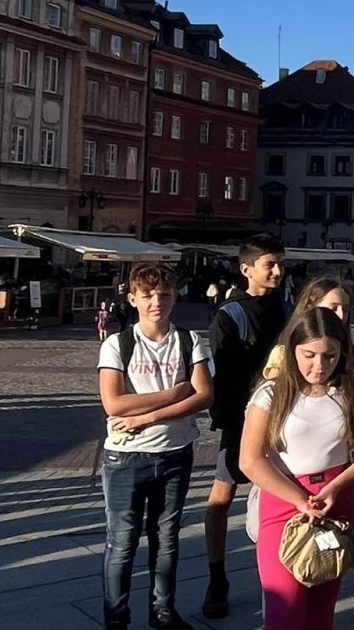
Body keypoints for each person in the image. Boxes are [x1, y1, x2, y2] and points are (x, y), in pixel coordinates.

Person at [98, 263, 213, 630]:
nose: (156, 303)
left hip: (175, 452)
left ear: (175, 296)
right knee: (122, 542)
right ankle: (117, 617)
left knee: (166, 538)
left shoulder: (189, 340)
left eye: (164, 295)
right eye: (147, 296)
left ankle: (163, 611)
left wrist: (146, 416)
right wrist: (175, 393)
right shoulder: (118, 344)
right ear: (133, 299)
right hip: (126, 457)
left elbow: (205, 396)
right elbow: (114, 403)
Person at [240, 308, 354, 630]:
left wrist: (337, 485)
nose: (319, 366)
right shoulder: (272, 394)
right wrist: (299, 499)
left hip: (336, 502)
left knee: (321, 612)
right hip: (284, 502)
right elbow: (250, 460)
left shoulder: (351, 394)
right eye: (309, 355)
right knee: (285, 610)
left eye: (330, 355)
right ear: (292, 350)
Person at [203, 234, 288, 619]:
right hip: (242, 419)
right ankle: (216, 577)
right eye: (270, 264)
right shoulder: (230, 314)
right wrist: (229, 419)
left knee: (281, 495)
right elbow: (222, 372)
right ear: (246, 269)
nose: (277, 271)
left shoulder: (285, 307)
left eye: (280, 263)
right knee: (221, 497)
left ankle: (284, 569)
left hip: (284, 416)